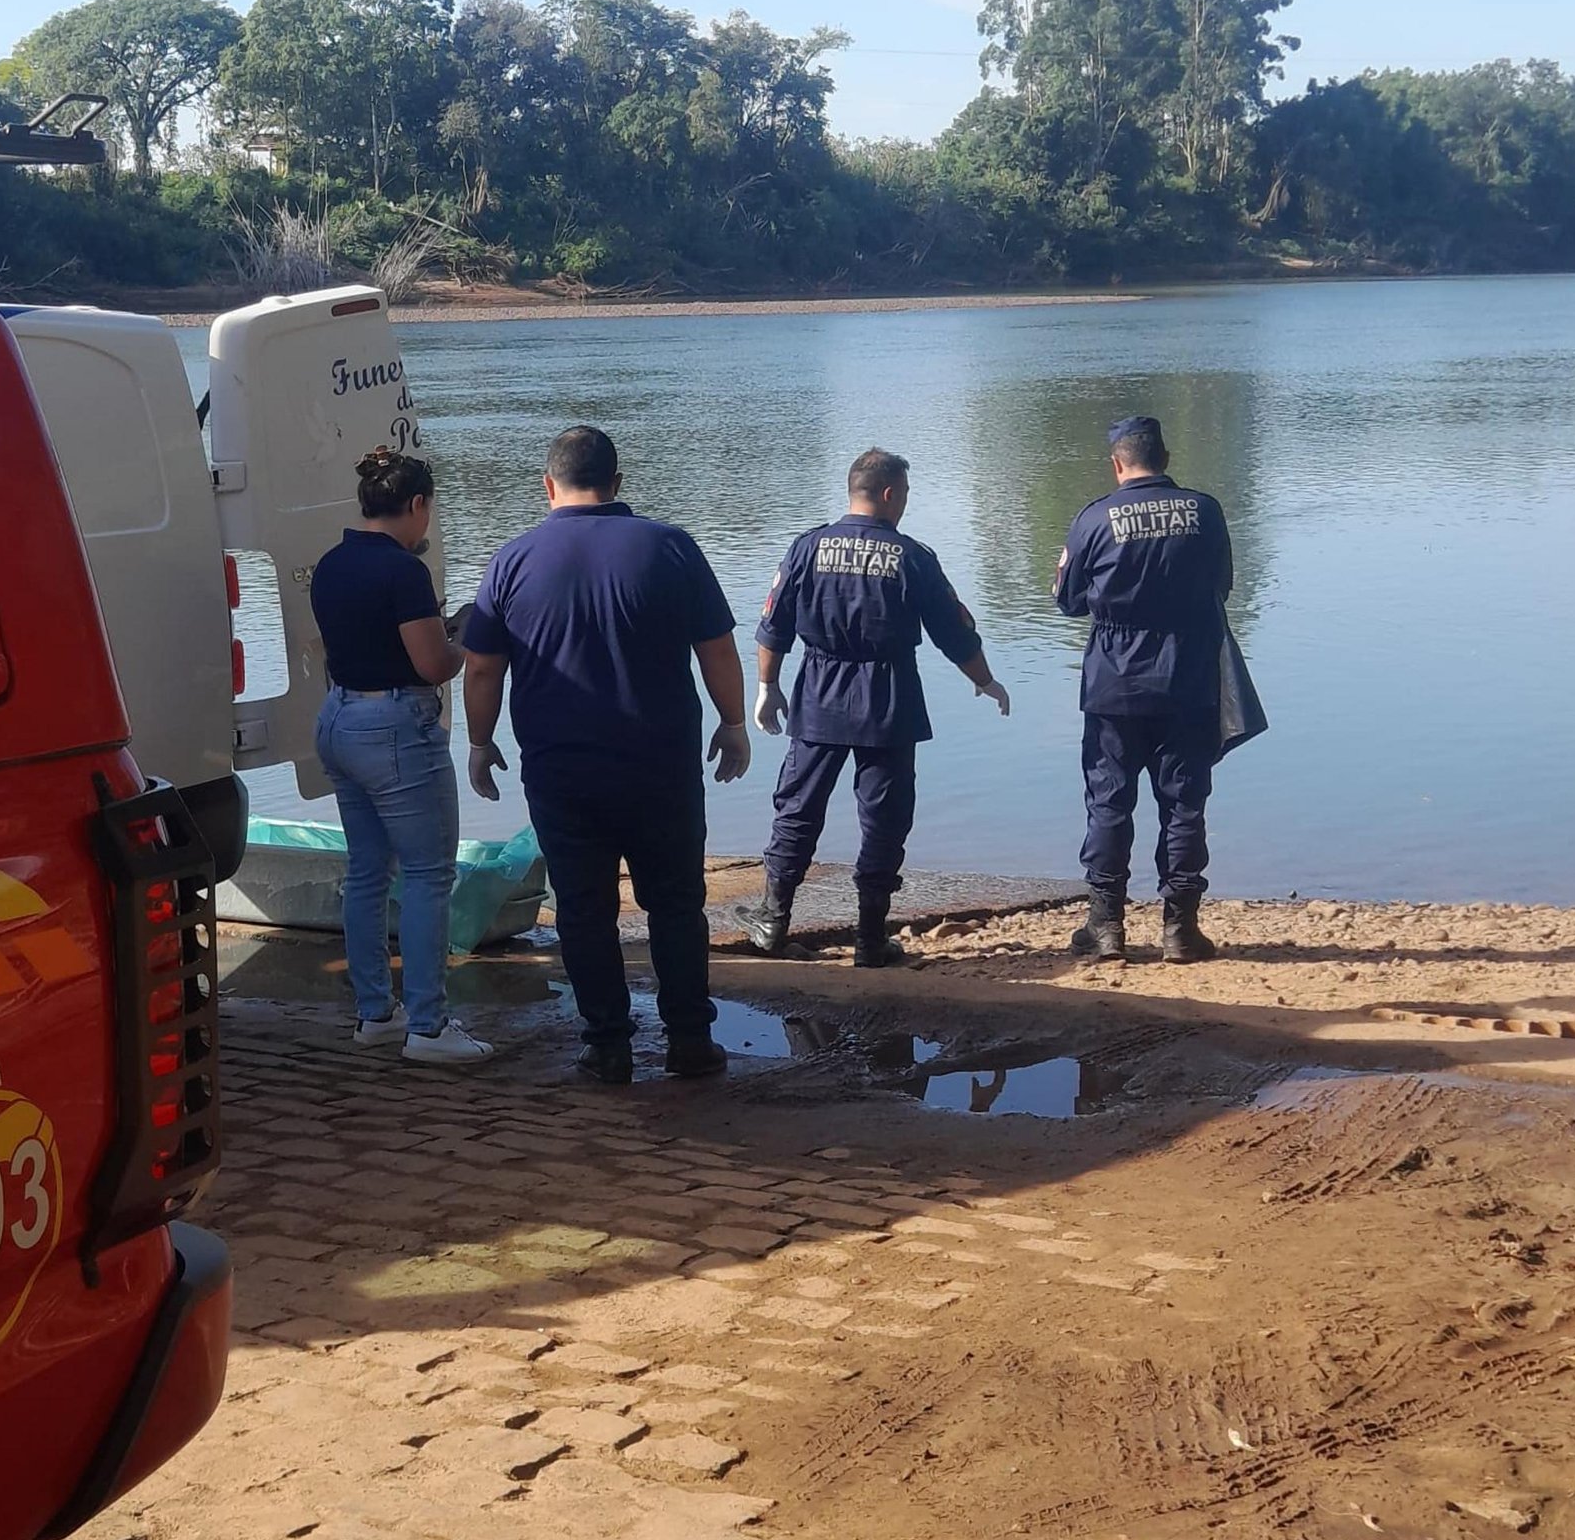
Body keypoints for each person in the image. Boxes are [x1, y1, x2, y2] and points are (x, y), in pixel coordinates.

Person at [460, 425, 750, 1085]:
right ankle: (688, 1041)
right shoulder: (669, 546)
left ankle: (607, 1045)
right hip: (660, 764)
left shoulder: (511, 560)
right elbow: (717, 650)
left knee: (583, 906)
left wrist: (480, 744)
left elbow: (481, 669)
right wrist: (733, 723)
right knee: (676, 902)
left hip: (562, 770)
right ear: (617, 484)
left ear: (547, 485)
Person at [741, 448, 1011, 967]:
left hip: (819, 689)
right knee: (885, 817)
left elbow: (773, 624)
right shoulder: (912, 557)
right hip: (888, 693)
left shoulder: (807, 547)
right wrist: (985, 680)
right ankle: (869, 939)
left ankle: (773, 921)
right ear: (889, 494)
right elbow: (953, 633)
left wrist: (767, 685)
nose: (906, 504)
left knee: (797, 809)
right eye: (905, 494)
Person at [307, 448, 495, 1064]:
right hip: (393, 725)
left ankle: (373, 1015)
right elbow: (433, 665)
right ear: (416, 505)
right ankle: (430, 1028)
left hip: (338, 717)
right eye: (428, 512)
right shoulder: (404, 573)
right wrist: (465, 634)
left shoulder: (331, 563)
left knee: (366, 870)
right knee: (427, 873)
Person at [1056, 415, 1238, 964]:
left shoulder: (1094, 518)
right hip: (1187, 678)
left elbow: (1067, 600)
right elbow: (1222, 586)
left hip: (1114, 681)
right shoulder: (1204, 511)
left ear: (1117, 462)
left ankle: (1106, 928)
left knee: (1110, 799)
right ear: (1166, 456)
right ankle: (1180, 930)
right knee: (1184, 802)